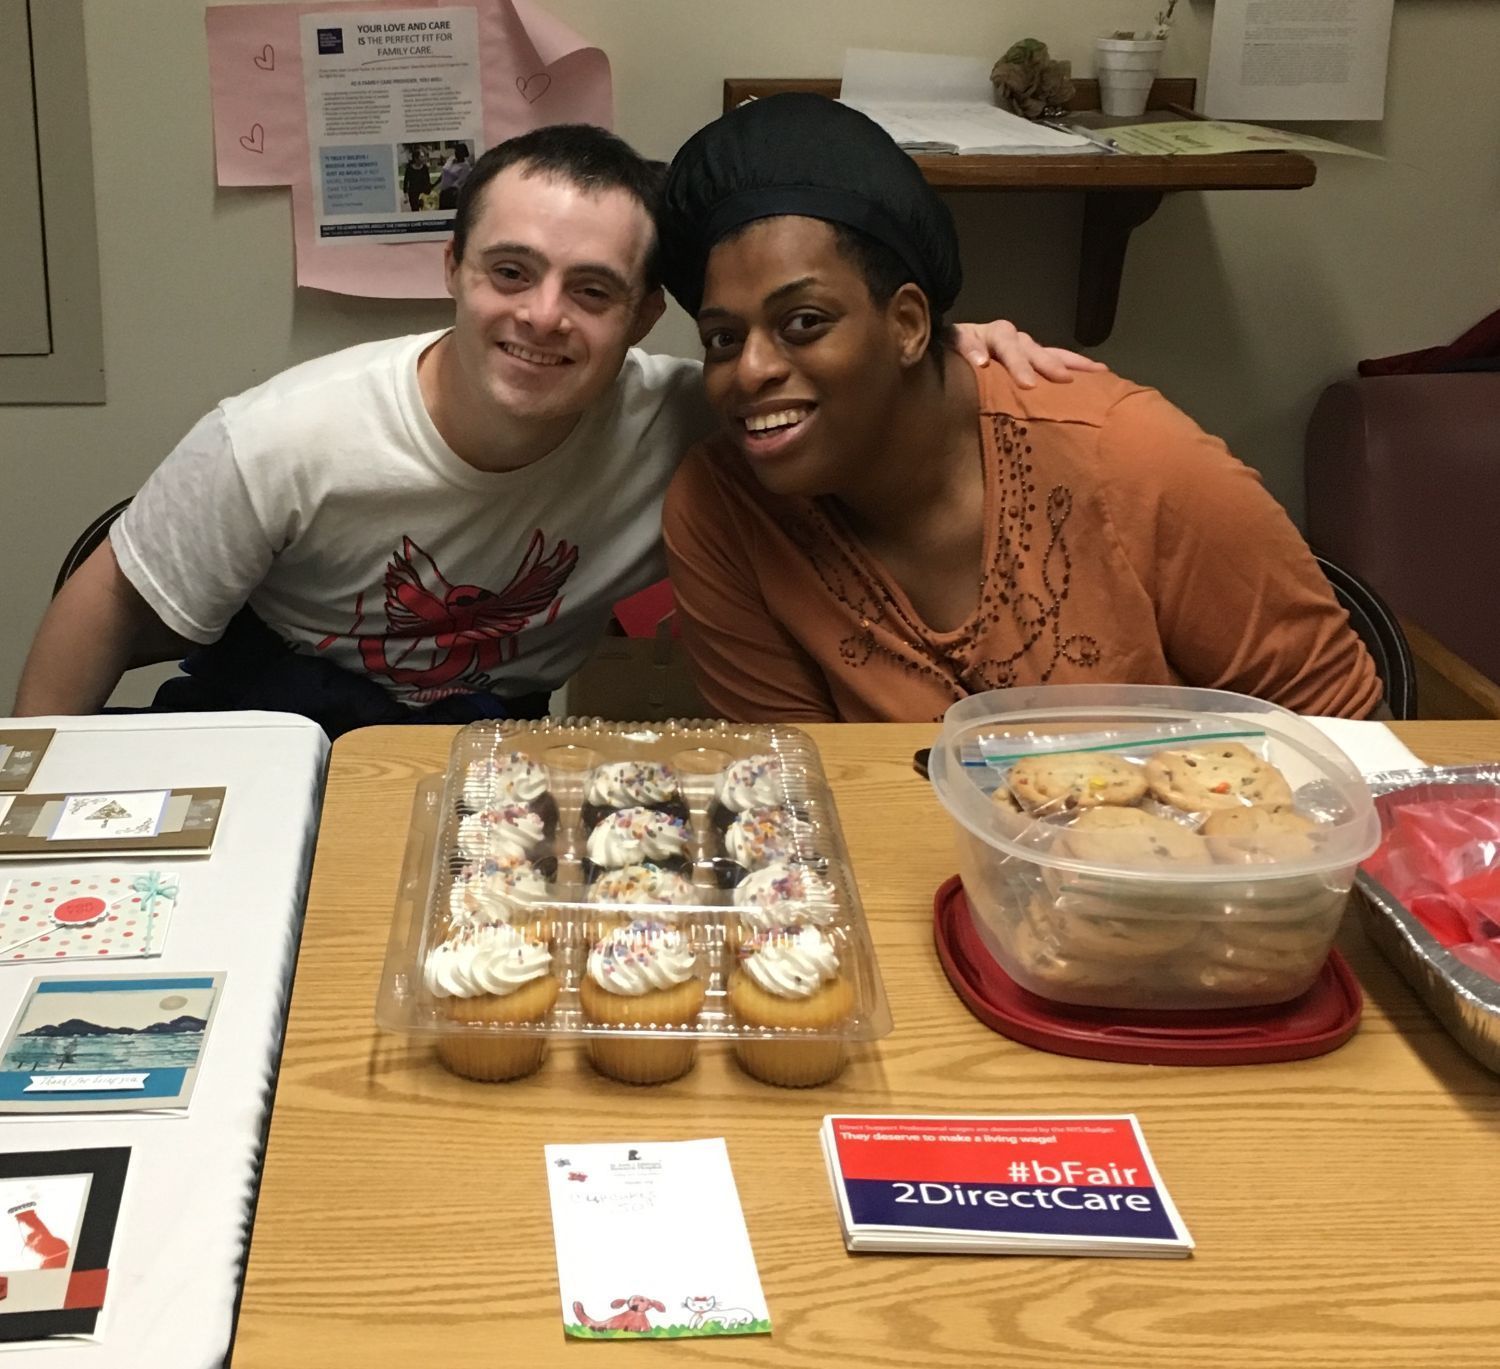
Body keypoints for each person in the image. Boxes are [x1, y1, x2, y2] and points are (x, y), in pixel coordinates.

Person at [13, 122, 1091, 736]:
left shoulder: (689, 415)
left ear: (641, 317)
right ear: (453, 271)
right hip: (275, 722)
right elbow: (106, 598)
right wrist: (30, 808)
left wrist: (954, 352)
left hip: (493, 747)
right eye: (511, 273)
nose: (540, 318)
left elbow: (840, 384)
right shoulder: (282, 439)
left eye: (590, 290)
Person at [657, 94, 1382, 722]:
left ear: (908, 325)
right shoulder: (725, 509)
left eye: (804, 322)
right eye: (723, 337)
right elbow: (798, 795)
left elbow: (1355, 738)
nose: (750, 369)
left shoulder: (1128, 455)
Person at [438, 142, 473, 210]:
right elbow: (444, 174)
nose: (455, 153)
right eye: (455, 151)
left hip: (452, 196)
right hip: (443, 194)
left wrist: (450, 190)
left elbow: (459, 182)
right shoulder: (452, 162)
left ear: (462, 153)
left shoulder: (465, 167)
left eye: (457, 151)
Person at [402, 146, 432, 212]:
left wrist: (429, 191)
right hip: (413, 194)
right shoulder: (409, 169)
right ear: (416, 158)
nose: (423, 158)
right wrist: (405, 194)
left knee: (425, 210)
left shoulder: (425, 168)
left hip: (423, 194)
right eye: (421, 157)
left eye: (423, 156)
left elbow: (428, 180)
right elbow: (406, 181)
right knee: (415, 211)